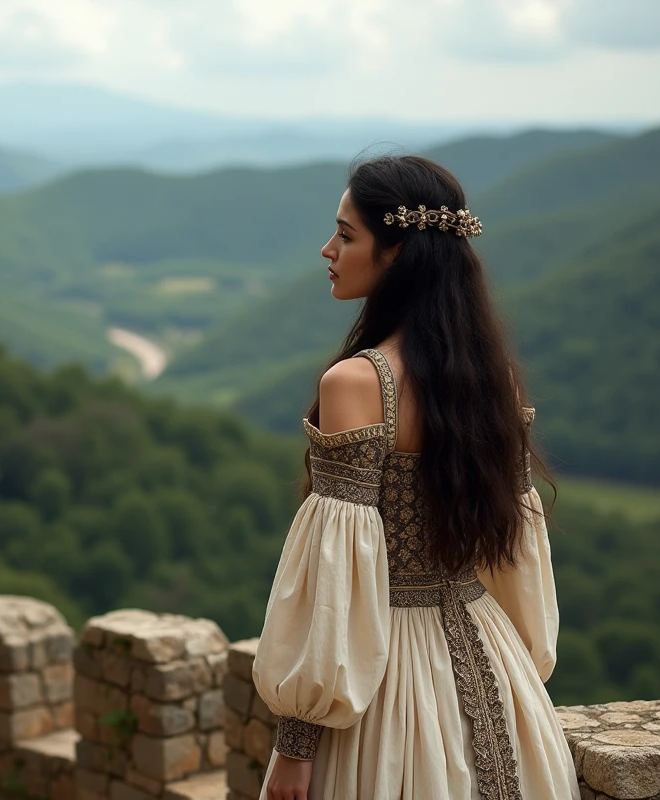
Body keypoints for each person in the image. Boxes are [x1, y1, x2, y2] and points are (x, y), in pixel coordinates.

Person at [251, 155, 580, 800]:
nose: (329, 249)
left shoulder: (356, 383)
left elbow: (335, 579)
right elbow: (513, 552)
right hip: (491, 659)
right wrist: (522, 666)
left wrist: (295, 746)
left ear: (396, 253)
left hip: (388, 678)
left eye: (347, 235)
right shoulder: (492, 383)